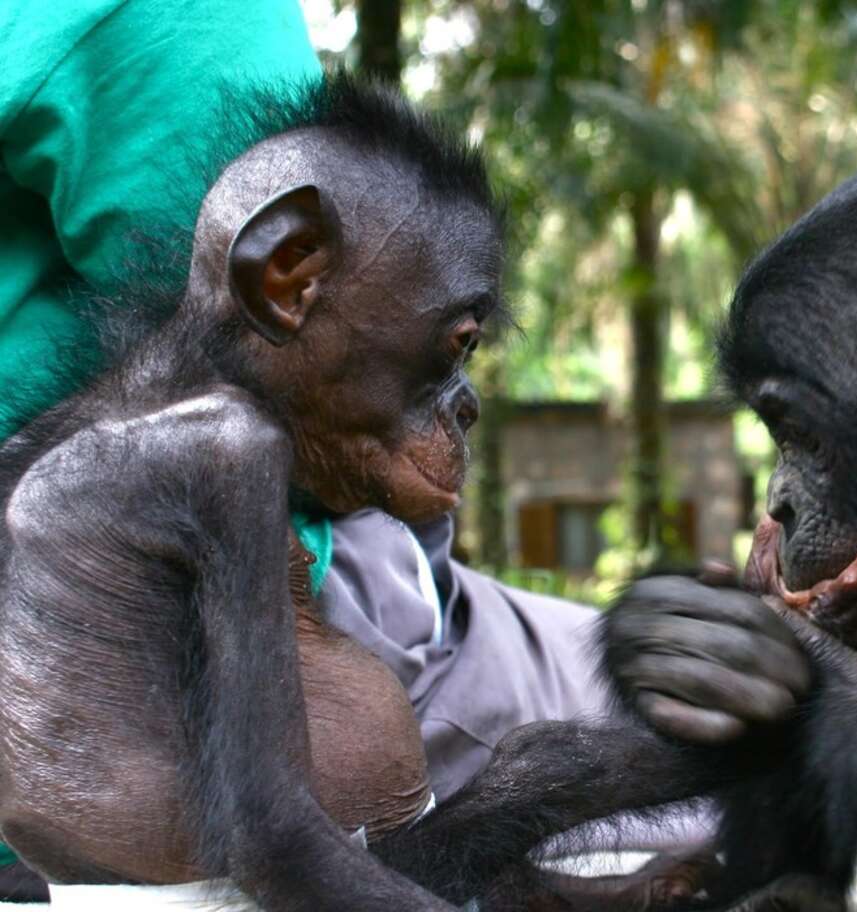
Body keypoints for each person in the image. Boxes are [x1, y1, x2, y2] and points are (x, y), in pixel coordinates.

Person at [0, 0, 609, 897]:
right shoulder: (225, 444)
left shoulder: (122, 438)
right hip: (231, 803)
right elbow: (274, 839)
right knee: (651, 713)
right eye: (454, 351)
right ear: (290, 277)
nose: (464, 405)